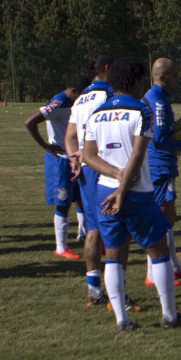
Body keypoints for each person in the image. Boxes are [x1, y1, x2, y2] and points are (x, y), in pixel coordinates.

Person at [82, 58, 181, 331]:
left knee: (115, 256)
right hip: (136, 193)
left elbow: (88, 155)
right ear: (134, 81)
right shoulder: (141, 110)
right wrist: (123, 185)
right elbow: (138, 153)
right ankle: (170, 316)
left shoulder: (98, 113)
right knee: (159, 251)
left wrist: (115, 175)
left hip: (104, 191)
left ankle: (122, 319)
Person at [65, 53, 114, 307]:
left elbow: (70, 135)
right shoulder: (110, 94)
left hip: (85, 168)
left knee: (93, 229)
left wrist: (75, 158)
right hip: (104, 166)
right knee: (116, 229)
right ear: (107, 68)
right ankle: (118, 292)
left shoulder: (81, 97)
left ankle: (94, 289)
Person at [24, 75, 90, 259]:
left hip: (77, 157)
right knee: (63, 203)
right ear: (74, 91)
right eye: (82, 96)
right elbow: (30, 122)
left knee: (81, 199)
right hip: (61, 159)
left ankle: (83, 235)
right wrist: (45, 145)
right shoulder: (60, 101)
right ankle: (61, 247)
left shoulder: (73, 103)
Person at [143, 57, 181, 287]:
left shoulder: (155, 96)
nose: (178, 79)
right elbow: (161, 138)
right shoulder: (159, 100)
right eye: (174, 75)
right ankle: (154, 274)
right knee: (163, 218)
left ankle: (173, 267)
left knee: (168, 216)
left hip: (159, 164)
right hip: (160, 165)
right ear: (162, 77)